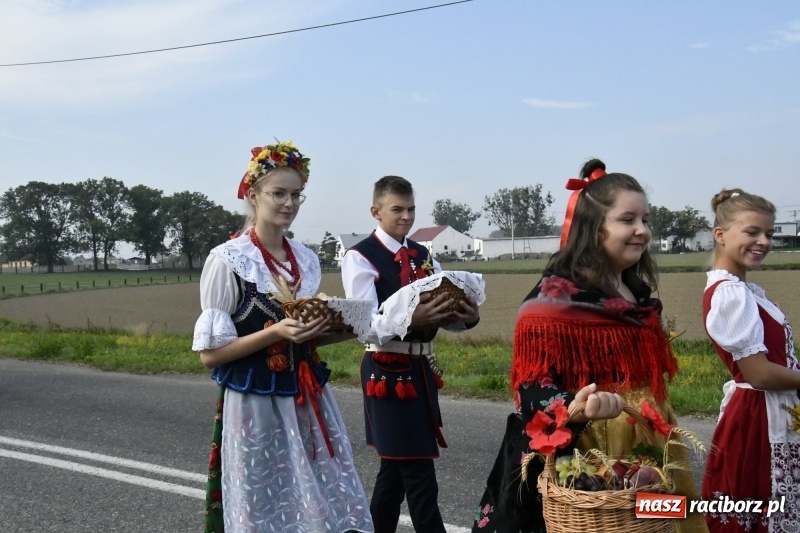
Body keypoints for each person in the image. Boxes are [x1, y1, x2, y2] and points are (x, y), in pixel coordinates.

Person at [471, 159, 705, 532]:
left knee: (660, 521)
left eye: (645, 220)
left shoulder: (636, 292)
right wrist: (577, 408)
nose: (642, 230)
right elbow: (531, 389)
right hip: (589, 450)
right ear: (594, 228)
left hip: (648, 444)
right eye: (627, 220)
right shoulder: (552, 300)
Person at [192, 141, 373, 533]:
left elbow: (303, 340)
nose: (289, 203)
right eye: (278, 193)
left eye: (296, 195)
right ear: (253, 195)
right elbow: (210, 355)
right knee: (264, 504)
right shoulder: (229, 261)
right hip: (256, 402)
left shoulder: (304, 258)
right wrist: (273, 332)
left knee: (318, 500)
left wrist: (340, 330)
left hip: (308, 399)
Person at [341, 175, 481, 533]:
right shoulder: (360, 257)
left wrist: (466, 316)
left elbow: (439, 310)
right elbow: (363, 325)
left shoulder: (422, 254)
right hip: (386, 370)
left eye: (411, 209)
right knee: (419, 474)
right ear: (376, 211)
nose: (406, 216)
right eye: (397, 210)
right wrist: (409, 319)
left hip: (419, 367)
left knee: (394, 473)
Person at [702, 189, 800, 531]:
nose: (764, 242)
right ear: (720, 235)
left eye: (769, 234)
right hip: (758, 416)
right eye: (752, 232)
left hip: (766, 409)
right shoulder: (730, 294)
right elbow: (759, 374)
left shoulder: (741, 290)